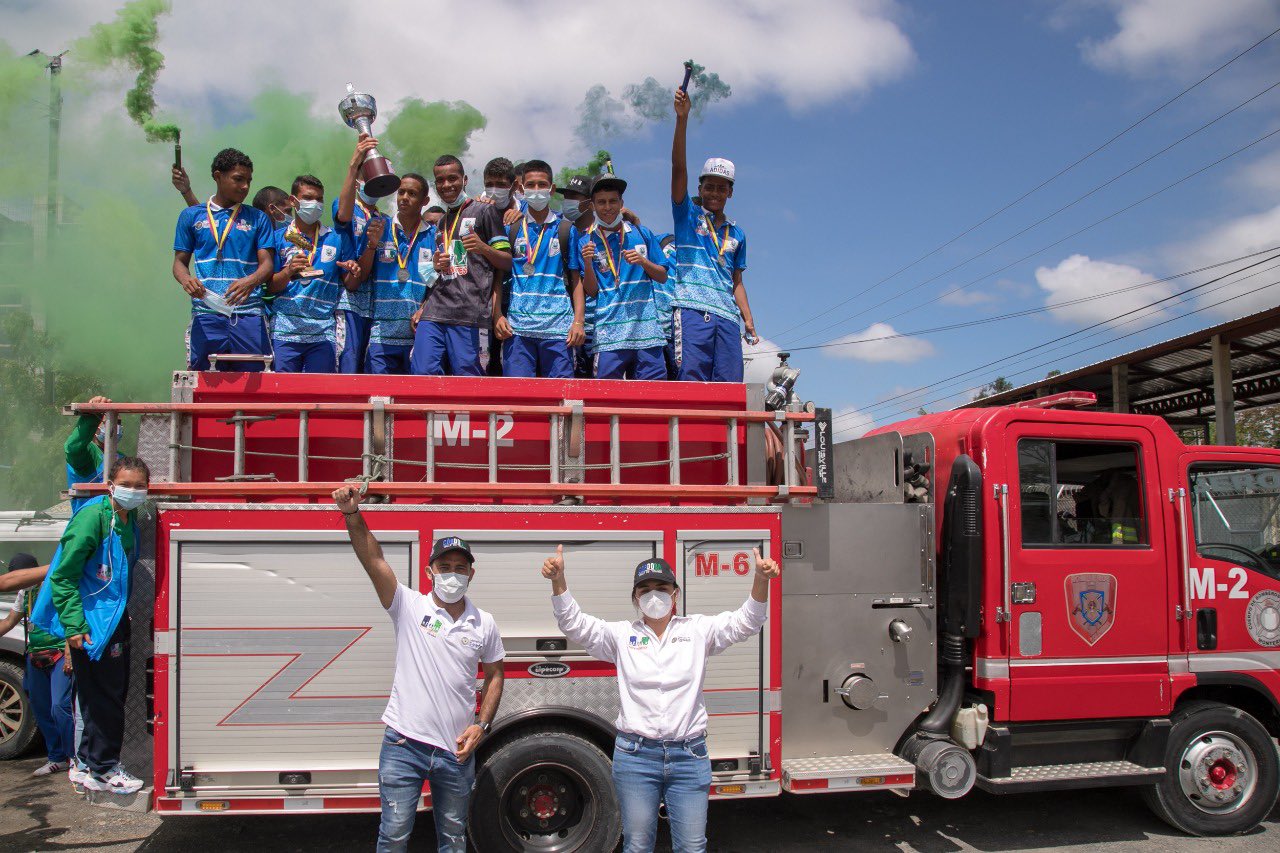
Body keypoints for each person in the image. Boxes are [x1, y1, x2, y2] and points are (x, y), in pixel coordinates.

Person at [541, 546, 781, 852]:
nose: (654, 595)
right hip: (636, 757)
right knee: (638, 845)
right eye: (645, 589)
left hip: (689, 757)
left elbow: (746, 622)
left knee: (692, 847)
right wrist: (558, 581)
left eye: (661, 588)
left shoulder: (698, 630)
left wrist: (761, 578)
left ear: (675, 594)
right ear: (635, 597)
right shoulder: (622, 635)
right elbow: (574, 624)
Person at [333, 486, 505, 853]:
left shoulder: (484, 623)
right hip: (402, 745)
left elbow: (495, 675)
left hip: (456, 750)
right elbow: (374, 559)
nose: (453, 575)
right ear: (429, 572)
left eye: (460, 568)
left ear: (472, 574)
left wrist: (482, 725)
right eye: (445, 568)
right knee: (393, 835)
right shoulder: (408, 606)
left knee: (454, 839)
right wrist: (352, 515)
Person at [29, 455, 151, 795]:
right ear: (110, 484)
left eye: (140, 486)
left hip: (111, 618)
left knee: (101, 694)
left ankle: (85, 764)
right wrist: (73, 625)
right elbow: (63, 575)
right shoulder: (93, 518)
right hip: (91, 623)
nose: (132, 491)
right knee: (105, 698)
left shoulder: (127, 518)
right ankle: (104, 769)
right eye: (125, 485)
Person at [670, 89, 758, 382]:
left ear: (730, 192)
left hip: (728, 317)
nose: (715, 193)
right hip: (693, 310)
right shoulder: (687, 216)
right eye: (709, 186)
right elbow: (678, 168)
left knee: (730, 384)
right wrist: (682, 120)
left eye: (722, 188)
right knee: (692, 381)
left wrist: (748, 318)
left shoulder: (737, 234)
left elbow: (737, 282)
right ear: (699, 188)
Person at [172, 148, 277, 372]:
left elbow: (267, 264)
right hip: (206, 312)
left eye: (249, 180)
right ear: (218, 176)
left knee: (256, 384)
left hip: (248, 314)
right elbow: (179, 262)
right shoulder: (191, 216)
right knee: (204, 382)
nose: (246, 187)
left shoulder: (258, 218)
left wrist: (251, 280)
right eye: (238, 179)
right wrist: (186, 280)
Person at [411, 155, 512, 376]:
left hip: (469, 314)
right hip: (434, 311)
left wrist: (482, 247)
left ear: (464, 179)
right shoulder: (440, 222)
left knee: (469, 379)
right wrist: (435, 267)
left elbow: (506, 261)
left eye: (452, 178)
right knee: (422, 373)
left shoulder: (485, 211)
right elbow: (437, 272)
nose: (446, 185)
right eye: (440, 180)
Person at [571, 175, 671, 380]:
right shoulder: (586, 241)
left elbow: (662, 276)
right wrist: (588, 264)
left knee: (652, 401)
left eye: (612, 201)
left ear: (621, 203)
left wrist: (644, 262)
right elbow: (591, 291)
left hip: (647, 334)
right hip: (609, 336)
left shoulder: (641, 233)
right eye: (601, 202)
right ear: (593, 206)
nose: (607, 207)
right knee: (607, 402)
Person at [494, 159, 585, 378]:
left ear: (552, 189)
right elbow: (498, 276)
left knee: (561, 398)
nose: (537, 190)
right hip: (517, 330)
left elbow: (576, 280)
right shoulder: (510, 227)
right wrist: (497, 314)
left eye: (542, 185)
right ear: (521, 189)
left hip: (559, 330)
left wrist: (578, 322)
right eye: (531, 185)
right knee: (518, 399)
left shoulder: (566, 229)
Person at [267, 174, 363, 373]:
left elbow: (351, 285)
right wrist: (289, 271)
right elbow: (270, 285)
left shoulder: (335, 238)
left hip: (322, 334)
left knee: (318, 396)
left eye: (319, 199)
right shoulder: (277, 238)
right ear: (294, 201)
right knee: (284, 394)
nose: (315, 204)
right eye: (308, 198)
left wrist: (354, 271)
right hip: (285, 331)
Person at [1, 553, 74, 777]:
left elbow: (73, 618)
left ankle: (75, 758)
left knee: (60, 707)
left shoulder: (56, 585)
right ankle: (56, 757)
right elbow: (9, 621)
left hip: (59, 652)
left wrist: (70, 652)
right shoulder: (25, 594)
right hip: (35, 654)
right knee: (41, 708)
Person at [357, 172, 433, 375]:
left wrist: (424, 308)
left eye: (412, 193)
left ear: (424, 201)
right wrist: (372, 246)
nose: (404, 197)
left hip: (417, 336)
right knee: (380, 401)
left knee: (412, 401)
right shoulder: (379, 227)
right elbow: (362, 276)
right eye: (401, 192)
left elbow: (437, 284)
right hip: (380, 335)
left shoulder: (433, 236)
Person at [557, 175, 598, 378]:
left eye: (574, 196)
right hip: (576, 328)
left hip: (604, 326)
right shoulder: (565, 231)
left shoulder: (607, 232)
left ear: (590, 203)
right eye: (566, 196)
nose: (568, 201)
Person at [65, 394, 123, 514]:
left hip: (118, 520)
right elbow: (73, 448)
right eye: (108, 421)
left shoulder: (122, 458)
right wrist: (93, 414)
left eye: (118, 422)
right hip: (91, 517)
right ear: (95, 428)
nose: (115, 426)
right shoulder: (87, 453)